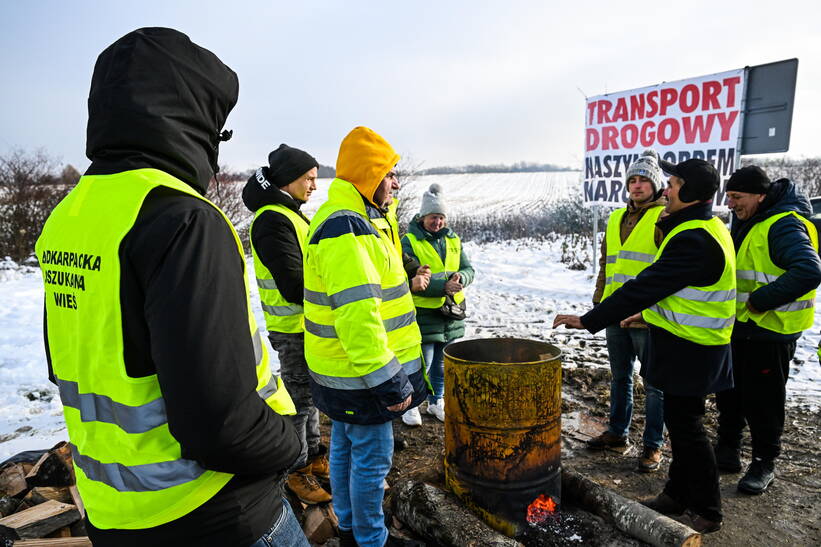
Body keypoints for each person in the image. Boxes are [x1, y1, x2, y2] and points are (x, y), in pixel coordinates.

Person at [35, 28, 307, 547]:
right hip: (213, 510)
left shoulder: (68, 216)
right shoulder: (182, 219)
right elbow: (220, 427)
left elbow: (73, 363)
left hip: (113, 511)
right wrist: (287, 442)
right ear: (190, 119)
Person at [553, 158, 735, 534]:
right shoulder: (704, 226)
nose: (666, 189)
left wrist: (589, 319)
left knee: (689, 430)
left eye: (672, 183)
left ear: (691, 191)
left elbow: (646, 285)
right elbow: (680, 291)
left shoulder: (694, 237)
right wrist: (648, 316)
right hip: (693, 342)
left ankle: (708, 509)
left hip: (692, 347)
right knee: (683, 424)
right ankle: (676, 495)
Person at [303, 126, 428, 547]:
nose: (395, 182)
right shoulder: (347, 228)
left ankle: (353, 529)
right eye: (389, 173)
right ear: (367, 175)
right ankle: (371, 539)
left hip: (343, 370)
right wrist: (387, 379)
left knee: (344, 449)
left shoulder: (357, 219)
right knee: (371, 463)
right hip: (361, 374)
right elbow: (358, 319)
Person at [717, 165, 821, 494]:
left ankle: (764, 463)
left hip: (770, 330)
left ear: (761, 196)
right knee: (730, 392)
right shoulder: (750, 220)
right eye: (729, 196)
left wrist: (763, 300)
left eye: (737, 197)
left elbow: (808, 269)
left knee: (764, 400)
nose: (731, 203)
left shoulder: (783, 224)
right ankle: (728, 450)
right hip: (741, 327)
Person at [242, 144, 333, 505]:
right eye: (309, 178)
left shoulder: (289, 214)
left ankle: (313, 456)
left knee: (309, 397)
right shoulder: (272, 220)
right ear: (288, 179)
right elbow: (293, 283)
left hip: (303, 323)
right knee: (300, 400)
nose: (314, 185)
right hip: (293, 326)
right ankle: (295, 470)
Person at [589, 150, 666, 472]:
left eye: (643, 180)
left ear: (656, 185)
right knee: (620, 377)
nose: (636, 186)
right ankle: (618, 433)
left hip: (648, 316)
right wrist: (599, 301)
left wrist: (655, 312)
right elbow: (608, 265)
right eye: (632, 180)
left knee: (654, 384)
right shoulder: (616, 217)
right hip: (615, 312)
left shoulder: (664, 218)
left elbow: (669, 269)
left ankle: (653, 446)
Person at [401, 183, 475, 425]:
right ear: (423, 216)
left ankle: (436, 402)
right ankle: (412, 405)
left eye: (441, 217)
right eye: (434, 217)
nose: (438, 223)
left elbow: (468, 268)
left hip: (451, 311)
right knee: (423, 361)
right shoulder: (409, 240)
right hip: (424, 311)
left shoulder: (453, 239)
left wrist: (460, 279)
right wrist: (442, 287)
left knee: (442, 364)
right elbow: (405, 276)